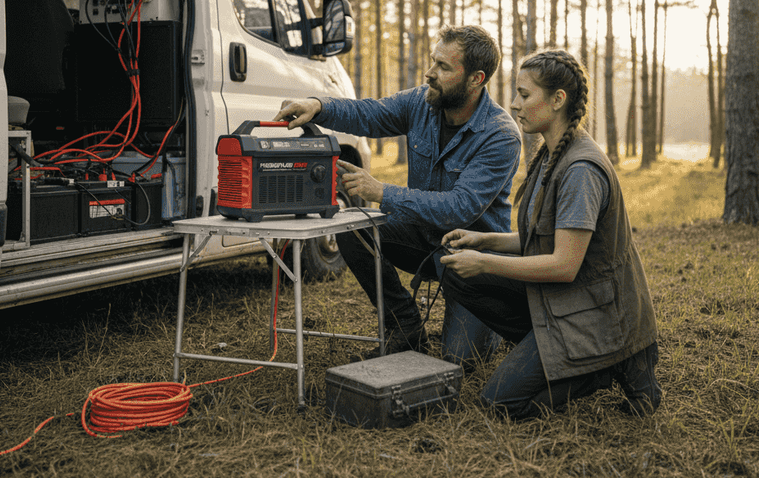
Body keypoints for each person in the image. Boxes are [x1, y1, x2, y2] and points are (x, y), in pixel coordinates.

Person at [274, 25, 522, 365]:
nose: (430, 73)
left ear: (476, 79)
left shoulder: (500, 135)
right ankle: (404, 325)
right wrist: (317, 106)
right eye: (433, 61)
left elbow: (460, 208)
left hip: (472, 256)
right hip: (421, 237)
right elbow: (368, 113)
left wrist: (381, 191)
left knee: (461, 359)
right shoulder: (421, 101)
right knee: (354, 228)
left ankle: (496, 316)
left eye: (443, 67)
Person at [438, 49, 661, 419]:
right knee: (455, 273)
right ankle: (545, 347)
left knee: (499, 405)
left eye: (525, 94)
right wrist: (484, 241)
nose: (514, 104)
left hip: (596, 316)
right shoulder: (550, 153)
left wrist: (485, 262)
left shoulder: (580, 170)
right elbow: (542, 240)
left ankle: (607, 365)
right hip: (563, 302)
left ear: (558, 99)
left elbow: (563, 265)